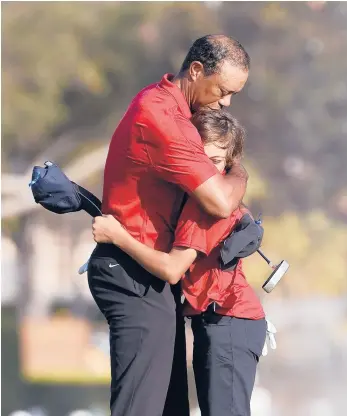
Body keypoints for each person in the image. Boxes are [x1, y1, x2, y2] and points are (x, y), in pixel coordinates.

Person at [87, 34, 250, 416]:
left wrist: (232, 165)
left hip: (151, 277)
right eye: (223, 90)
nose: (225, 102)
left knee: (170, 408)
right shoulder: (161, 115)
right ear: (196, 70)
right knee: (141, 408)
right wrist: (237, 164)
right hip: (132, 274)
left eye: (233, 95)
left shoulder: (177, 113)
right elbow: (220, 200)